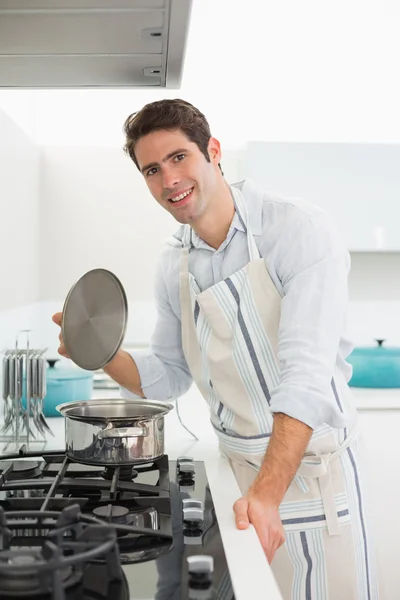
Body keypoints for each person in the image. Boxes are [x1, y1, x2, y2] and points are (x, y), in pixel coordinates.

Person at [52, 99, 378, 599]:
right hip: (238, 474)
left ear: (214, 152)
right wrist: (93, 351)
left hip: (314, 473)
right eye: (152, 170)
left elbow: (306, 378)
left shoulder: (296, 230)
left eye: (179, 158)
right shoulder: (173, 263)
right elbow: (167, 375)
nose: (169, 181)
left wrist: (268, 496)